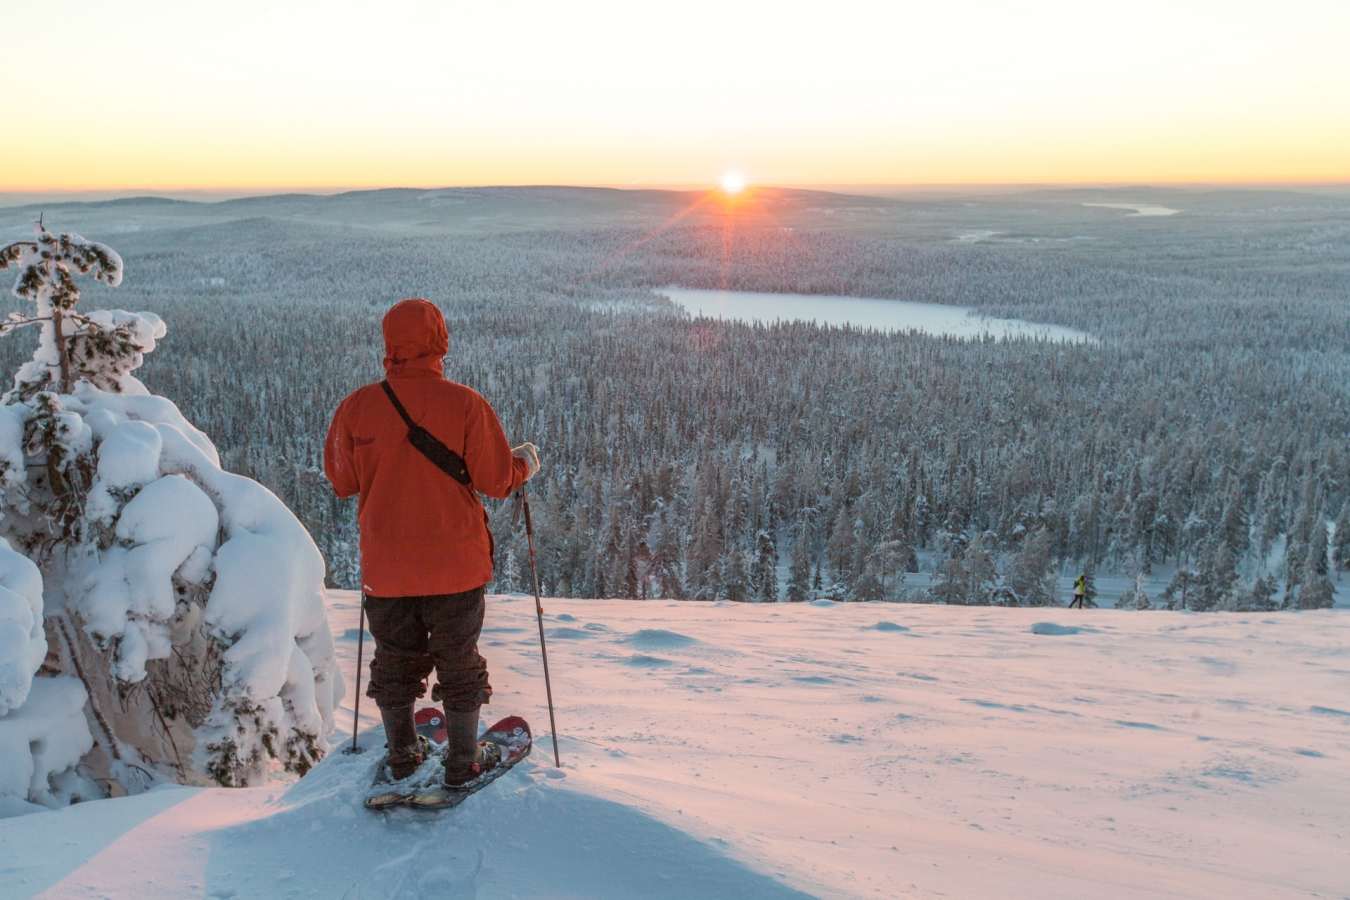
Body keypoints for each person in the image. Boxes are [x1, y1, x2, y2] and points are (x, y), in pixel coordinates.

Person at [324, 298, 540, 788]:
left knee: (394, 661)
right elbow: (497, 480)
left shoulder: (357, 408)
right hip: (455, 566)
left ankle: (402, 755)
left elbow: (341, 481)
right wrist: (525, 462)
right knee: (460, 661)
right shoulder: (465, 404)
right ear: (440, 341)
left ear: (389, 344)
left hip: (387, 567)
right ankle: (464, 763)